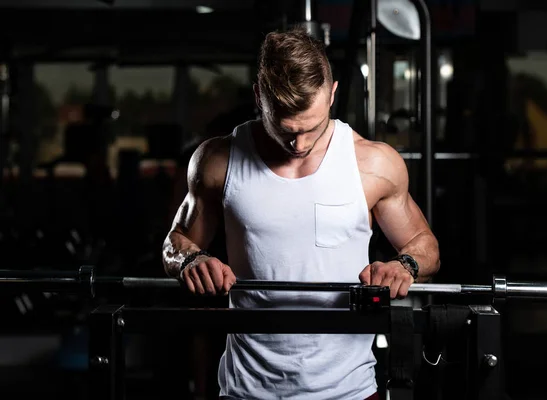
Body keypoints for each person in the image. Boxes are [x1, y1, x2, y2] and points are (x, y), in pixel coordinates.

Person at [162, 27, 440, 400]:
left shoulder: (373, 164)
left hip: (349, 389)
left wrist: (403, 265)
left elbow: (426, 247)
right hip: (247, 388)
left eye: (311, 129)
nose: (299, 144)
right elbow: (175, 242)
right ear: (259, 97)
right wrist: (190, 260)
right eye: (285, 130)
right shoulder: (217, 161)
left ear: (332, 95)